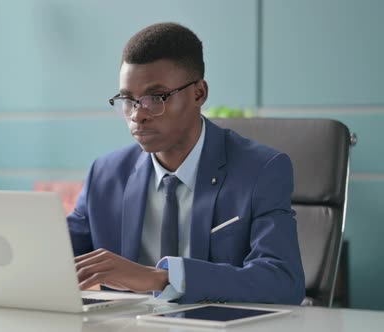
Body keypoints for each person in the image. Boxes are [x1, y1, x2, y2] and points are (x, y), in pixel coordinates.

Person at [67, 22, 305, 304]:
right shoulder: (105, 174)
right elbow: (54, 255)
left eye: (156, 98)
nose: (137, 115)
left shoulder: (261, 170)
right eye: (128, 100)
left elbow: (283, 280)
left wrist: (162, 278)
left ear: (199, 94)